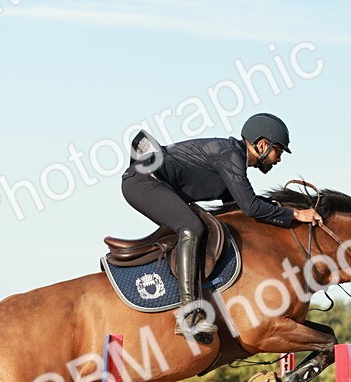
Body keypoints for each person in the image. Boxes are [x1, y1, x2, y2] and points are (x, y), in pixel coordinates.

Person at [121, 113, 323, 344]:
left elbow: (237, 204)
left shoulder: (232, 157)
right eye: (279, 150)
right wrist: (296, 214)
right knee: (192, 227)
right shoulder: (231, 156)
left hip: (150, 181)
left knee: (199, 225)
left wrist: (281, 209)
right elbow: (251, 207)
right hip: (143, 182)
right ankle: (189, 314)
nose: (279, 158)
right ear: (262, 145)